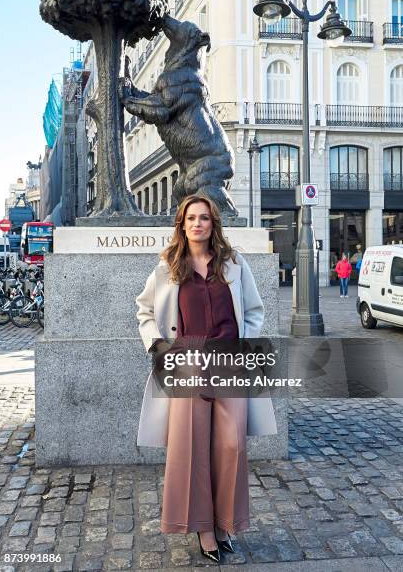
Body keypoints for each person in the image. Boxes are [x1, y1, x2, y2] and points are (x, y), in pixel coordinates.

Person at [135, 194, 277, 562]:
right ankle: (203, 528)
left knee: (232, 445)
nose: (198, 224)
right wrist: (159, 346)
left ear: (214, 224)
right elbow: (145, 310)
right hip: (187, 362)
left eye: (204, 218)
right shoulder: (169, 266)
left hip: (229, 358)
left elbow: (255, 310)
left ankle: (226, 521)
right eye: (191, 218)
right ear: (181, 224)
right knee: (192, 448)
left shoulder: (233, 263)